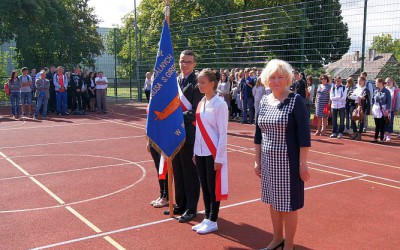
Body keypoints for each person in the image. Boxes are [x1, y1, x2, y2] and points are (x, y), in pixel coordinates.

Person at [254, 59, 311, 250]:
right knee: (273, 201)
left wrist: (303, 163)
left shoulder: (296, 101)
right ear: (266, 80)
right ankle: (277, 238)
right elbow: (258, 133)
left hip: (289, 162)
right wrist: (257, 160)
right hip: (268, 161)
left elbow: (304, 135)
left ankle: (289, 244)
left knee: (288, 205)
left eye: (280, 77)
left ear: (287, 79)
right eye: (272, 77)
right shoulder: (263, 100)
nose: (276, 81)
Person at [163, 50, 202, 223]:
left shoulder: (197, 83)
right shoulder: (175, 81)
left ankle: (191, 208)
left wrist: (175, 117)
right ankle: (180, 203)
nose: (184, 64)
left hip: (189, 133)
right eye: (181, 61)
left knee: (190, 172)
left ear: (194, 64)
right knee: (177, 169)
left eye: (188, 61)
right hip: (174, 133)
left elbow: (196, 111)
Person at [192, 68, 228, 234]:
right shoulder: (201, 103)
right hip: (200, 151)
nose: (199, 85)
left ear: (212, 84)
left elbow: (222, 133)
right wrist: (194, 151)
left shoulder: (220, 104)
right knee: (204, 186)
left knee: (213, 187)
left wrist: (219, 158)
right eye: (199, 82)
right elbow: (198, 130)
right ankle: (207, 217)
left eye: (203, 82)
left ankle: (213, 219)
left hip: (212, 152)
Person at [147, 143, 169, 208]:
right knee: (159, 169)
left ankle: (166, 196)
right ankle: (162, 194)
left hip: (162, 141)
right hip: (153, 141)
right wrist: (148, 141)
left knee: (164, 168)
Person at [348, 76, 371, 141]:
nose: (359, 82)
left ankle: (359, 134)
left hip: (361, 106)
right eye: (358, 81)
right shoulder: (356, 88)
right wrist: (358, 96)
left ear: (364, 81)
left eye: (360, 81)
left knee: (361, 120)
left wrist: (367, 110)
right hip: (353, 105)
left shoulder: (366, 90)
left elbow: (367, 100)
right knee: (353, 118)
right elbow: (350, 96)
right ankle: (355, 133)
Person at [371, 78, 391, 143]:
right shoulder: (376, 91)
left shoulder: (387, 91)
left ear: (380, 83)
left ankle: (381, 138)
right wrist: (372, 107)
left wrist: (387, 110)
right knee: (377, 124)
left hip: (383, 109)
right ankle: (375, 137)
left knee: (382, 124)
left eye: (377, 82)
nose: (376, 84)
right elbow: (373, 99)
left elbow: (389, 101)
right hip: (376, 108)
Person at [384, 78, 400, 142]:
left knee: (390, 123)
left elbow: (398, 101)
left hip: (391, 110)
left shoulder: (396, 90)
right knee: (384, 122)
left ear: (392, 82)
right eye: (386, 82)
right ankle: (384, 135)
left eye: (388, 82)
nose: (387, 83)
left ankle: (388, 136)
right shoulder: (384, 89)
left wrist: (396, 109)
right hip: (384, 110)